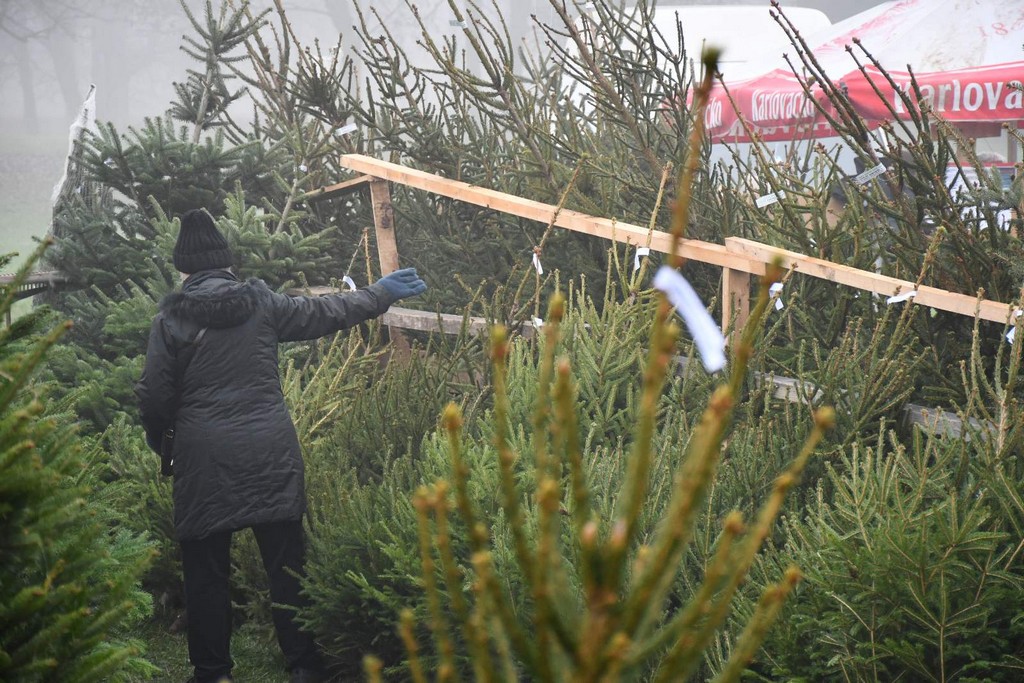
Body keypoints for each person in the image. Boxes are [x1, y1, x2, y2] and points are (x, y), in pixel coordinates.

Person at [135, 208, 426, 683]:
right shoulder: (263, 304)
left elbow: (153, 396)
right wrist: (379, 294)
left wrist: (163, 443)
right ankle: (306, 668)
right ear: (227, 263)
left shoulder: (171, 318)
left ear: (184, 269)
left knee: (206, 572)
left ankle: (213, 674)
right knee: (287, 569)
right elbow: (327, 311)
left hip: (204, 458)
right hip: (270, 450)